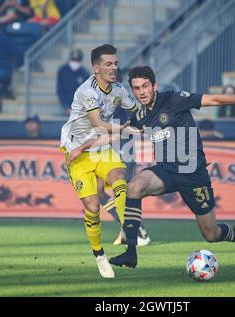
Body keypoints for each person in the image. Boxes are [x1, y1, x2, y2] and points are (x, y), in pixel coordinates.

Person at [70, 66, 235, 269]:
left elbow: (213, 100)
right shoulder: (140, 116)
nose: (142, 92)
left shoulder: (174, 99)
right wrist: (82, 148)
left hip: (193, 173)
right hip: (166, 171)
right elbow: (115, 135)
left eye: (145, 86)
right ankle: (131, 251)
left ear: (154, 86)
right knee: (134, 187)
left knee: (211, 233)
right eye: (136, 88)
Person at [59, 44, 140, 278]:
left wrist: (158, 114)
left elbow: (138, 110)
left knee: (119, 178)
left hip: (101, 145)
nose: (114, 68)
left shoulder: (118, 89)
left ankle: (128, 230)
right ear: (96, 68)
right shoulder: (87, 91)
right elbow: (99, 125)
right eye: (108, 64)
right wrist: (125, 131)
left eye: (115, 63)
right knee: (92, 207)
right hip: (77, 150)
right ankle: (99, 255)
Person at [56, 49, 90, 116]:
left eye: (77, 61)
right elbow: (60, 90)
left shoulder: (85, 73)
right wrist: (66, 107)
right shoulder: (62, 71)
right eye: (73, 60)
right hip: (66, 108)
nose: (75, 63)